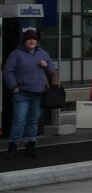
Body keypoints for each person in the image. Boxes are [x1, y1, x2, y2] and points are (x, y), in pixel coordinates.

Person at [3, 28, 57, 158]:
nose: (32, 41)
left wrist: (45, 65)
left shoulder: (43, 53)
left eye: (34, 39)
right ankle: (13, 146)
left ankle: (30, 146)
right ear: (24, 41)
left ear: (37, 41)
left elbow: (52, 70)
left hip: (37, 93)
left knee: (33, 120)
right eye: (29, 39)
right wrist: (13, 87)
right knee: (19, 119)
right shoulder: (16, 54)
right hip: (21, 93)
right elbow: (8, 71)